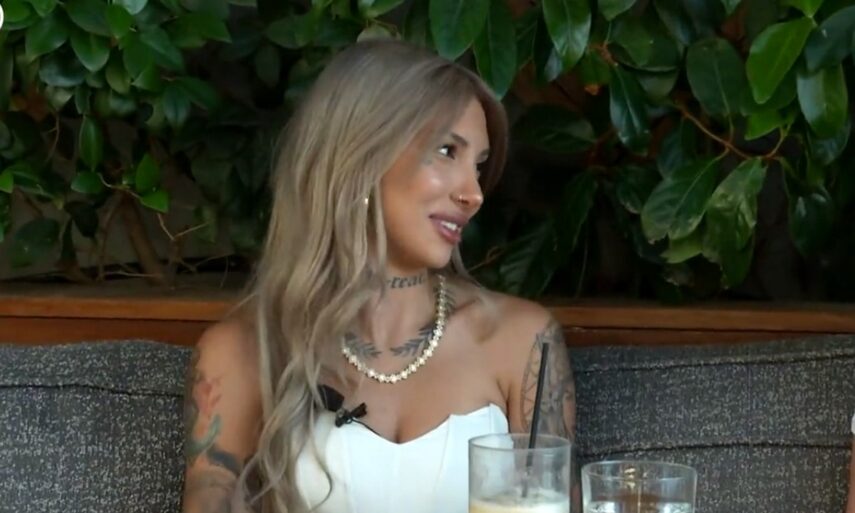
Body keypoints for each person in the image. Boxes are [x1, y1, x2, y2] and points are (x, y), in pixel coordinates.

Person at [180, 39, 576, 513]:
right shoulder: (244, 349)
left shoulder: (524, 341)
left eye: (479, 166)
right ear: (363, 157)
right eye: (447, 150)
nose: (474, 194)